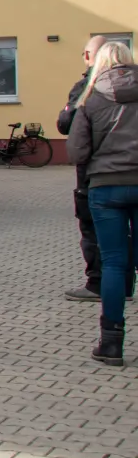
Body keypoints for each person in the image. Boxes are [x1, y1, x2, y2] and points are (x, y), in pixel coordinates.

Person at [66, 40, 138, 366]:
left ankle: (111, 343)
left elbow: (77, 153)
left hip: (106, 189)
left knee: (112, 263)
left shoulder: (91, 100)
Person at [58, 36, 108, 301]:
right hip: (131, 173)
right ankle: (123, 285)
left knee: (92, 228)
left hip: (93, 173)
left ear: (89, 56)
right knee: (124, 228)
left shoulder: (86, 87)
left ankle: (97, 284)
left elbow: (67, 125)